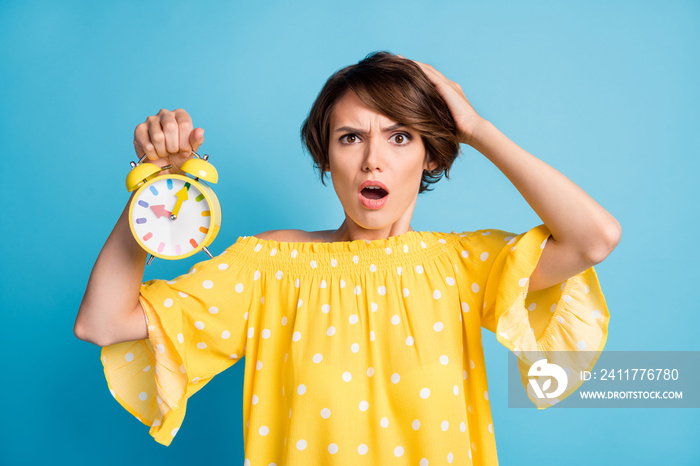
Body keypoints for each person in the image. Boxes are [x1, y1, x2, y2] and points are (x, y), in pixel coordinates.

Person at [75, 51, 620, 465]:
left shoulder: (461, 266)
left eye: (400, 137)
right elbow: (103, 322)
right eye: (351, 137)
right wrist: (155, 193)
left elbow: (593, 239)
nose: (373, 160)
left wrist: (476, 130)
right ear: (327, 155)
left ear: (430, 153)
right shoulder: (268, 266)